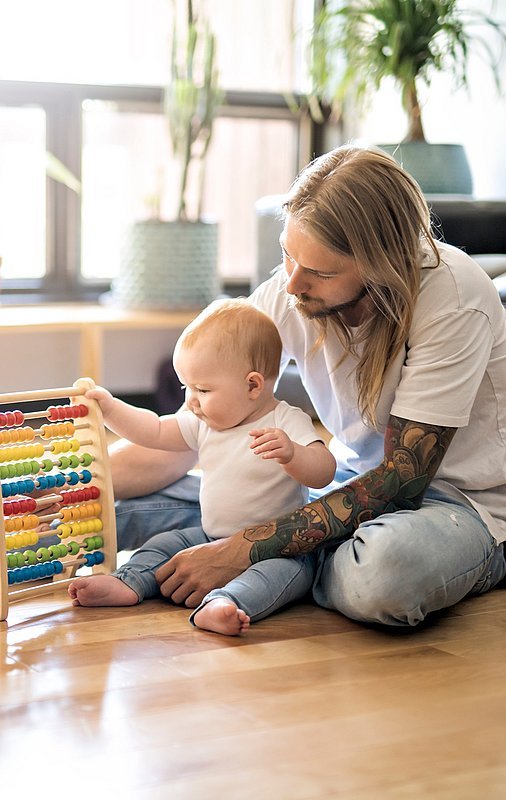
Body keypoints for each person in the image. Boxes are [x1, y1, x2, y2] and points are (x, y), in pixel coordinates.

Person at [110, 144, 506, 628]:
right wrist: (85, 482)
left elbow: (404, 480)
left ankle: (280, 563)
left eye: (319, 271)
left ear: (381, 264)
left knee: (384, 575)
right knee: (119, 503)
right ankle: (280, 564)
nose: (293, 283)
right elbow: (205, 422)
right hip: (339, 486)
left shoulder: (455, 298)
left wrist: (244, 545)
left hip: (458, 506)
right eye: (287, 256)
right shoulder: (293, 288)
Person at [68, 299, 336, 635]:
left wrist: (293, 454)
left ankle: (226, 603)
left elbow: (324, 470)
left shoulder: (286, 420)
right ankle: (130, 581)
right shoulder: (204, 423)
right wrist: (110, 409)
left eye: (202, 389)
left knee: (278, 577)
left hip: (280, 550)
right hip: (209, 535)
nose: (191, 400)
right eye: (186, 388)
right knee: (164, 545)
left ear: (253, 385)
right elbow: (152, 429)